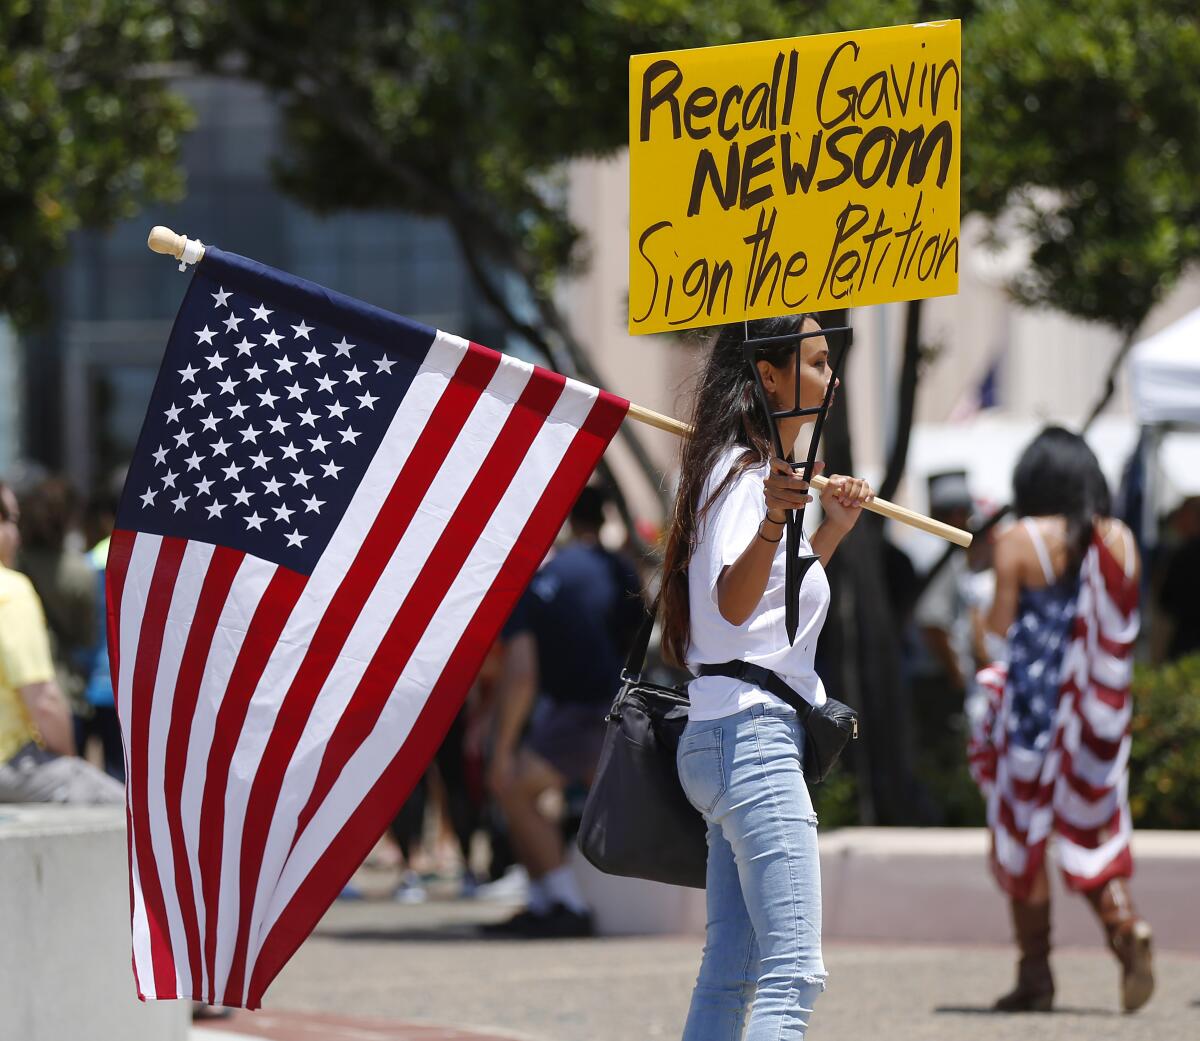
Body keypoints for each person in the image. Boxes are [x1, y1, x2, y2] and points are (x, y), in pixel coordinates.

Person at [658, 315, 873, 1041]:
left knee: (733, 970)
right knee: (793, 972)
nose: (831, 377)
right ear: (769, 375)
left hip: (728, 735)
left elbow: (763, 623)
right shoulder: (744, 476)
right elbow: (730, 601)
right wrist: (776, 519)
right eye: (815, 362)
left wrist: (828, 529)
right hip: (751, 741)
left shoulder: (749, 476)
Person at [971, 427, 1153, 1013]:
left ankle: (1036, 976)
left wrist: (978, 620)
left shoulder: (1019, 540)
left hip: (1031, 719)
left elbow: (998, 636)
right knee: (1091, 826)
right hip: (1098, 721)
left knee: (1024, 838)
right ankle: (1123, 925)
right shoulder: (1120, 539)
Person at [484, 484, 642, 938]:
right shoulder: (622, 571)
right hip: (617, 709)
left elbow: (521, 676)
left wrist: (502, 747)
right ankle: (542, 900)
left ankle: (565, 904)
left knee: (513, 788)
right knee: (536, 797)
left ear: (569, 521)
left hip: (579, 713)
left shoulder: (543, 580)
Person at [0, 479, 124, 804]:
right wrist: (69, 764)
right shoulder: (12, 590)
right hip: (72, 698)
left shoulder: (89, 561)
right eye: (11, 519)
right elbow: (43, 698)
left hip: (85, 692)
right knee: (118, 796)